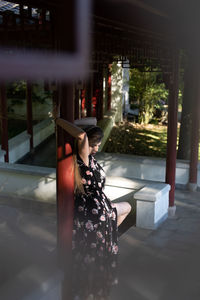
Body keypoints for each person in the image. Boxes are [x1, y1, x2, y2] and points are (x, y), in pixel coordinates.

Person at [55, 118, 131, 300]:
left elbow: (92, 121)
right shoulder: (83, 159)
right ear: (88, 143)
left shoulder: (90, 159)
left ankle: (108, 234)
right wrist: (57, 119)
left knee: (126, 207)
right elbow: (81, 135)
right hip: (94, 210)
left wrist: (74, 121)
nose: (97, 148)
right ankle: (108, 236)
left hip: (99, 207)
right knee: (124, 209)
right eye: (95, 144)